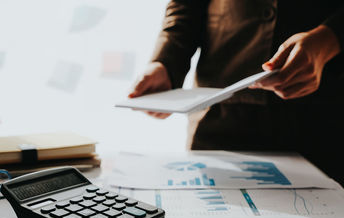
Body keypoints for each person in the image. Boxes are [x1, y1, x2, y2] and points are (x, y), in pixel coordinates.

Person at [129, 1, 344, 184]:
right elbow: (187, 6)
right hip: (217, 116)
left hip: (324, 120)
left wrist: (329, 39)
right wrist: (165, 62)